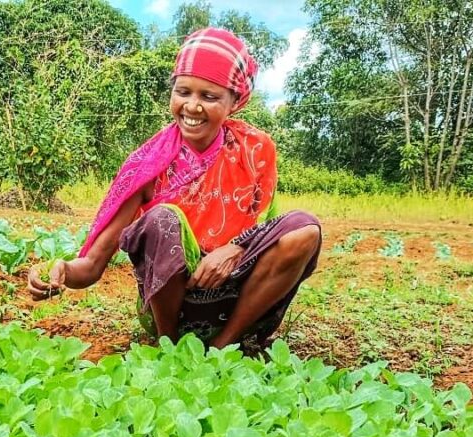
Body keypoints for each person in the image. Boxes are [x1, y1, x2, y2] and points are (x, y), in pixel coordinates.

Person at [27, 27, 322, 349]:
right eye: (183, 92)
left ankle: (225, 345)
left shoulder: (255, 148)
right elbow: (93, 266)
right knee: (161, 219)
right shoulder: (148, 165)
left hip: (238, 296)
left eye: (209, 97)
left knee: (303, 227)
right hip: (172, 307)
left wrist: (234, 248)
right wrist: (60, 270)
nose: (192, 107)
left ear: (234, 102)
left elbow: (267, 230)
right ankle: (170, 347)